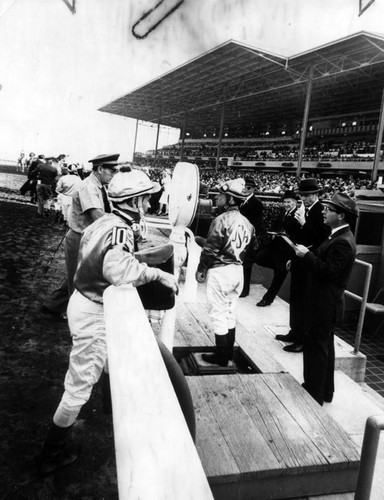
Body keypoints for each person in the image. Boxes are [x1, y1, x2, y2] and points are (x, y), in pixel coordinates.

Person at [39, 169, 184, 475]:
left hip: (84, 299)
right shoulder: (120, 229)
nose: (148, 202)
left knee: (107, 363)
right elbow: (116, 269)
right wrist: (157, 273)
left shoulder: (106, 220)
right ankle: (51, 452)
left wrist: (141, 258)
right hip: (93, 310)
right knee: (78, 386)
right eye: (145, 198)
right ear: (137, 200)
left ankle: (107, 410)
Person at [293, 192, 358, 405]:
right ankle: (325, 391)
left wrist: (307, 255)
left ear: (341, 216)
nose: (324, 211)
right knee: (324, 348)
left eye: (329, 210)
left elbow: (330, 272)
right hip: (325, 303)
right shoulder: (337, 236)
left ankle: (314, 393)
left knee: (316, 349)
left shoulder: (342, 242)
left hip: (324, 304)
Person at [41, 154, 120, 320]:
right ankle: (75, 318)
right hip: (80, 238)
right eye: (112, 170)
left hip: (88, 237)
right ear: (100, 169)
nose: (114, 174)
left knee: (76, 274)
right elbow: (97, 215)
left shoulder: (100, 186)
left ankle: (52, 305)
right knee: (77, 280)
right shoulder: (88, 187)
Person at [196, 178, 255, 367]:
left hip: (221, 272)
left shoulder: (221, 219)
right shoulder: (248, 223)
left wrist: (201, 268)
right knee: (230, 312)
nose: (217, 197)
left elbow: (211, 250)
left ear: (230, 199)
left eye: (221, 195)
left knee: (218, 314)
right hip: (238, 270)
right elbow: (254, 246)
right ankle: (228, 354)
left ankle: (221, 358)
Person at [276, 178, 330, 353]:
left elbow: (320, 238)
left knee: (305, 301)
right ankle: (295, 331)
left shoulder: (321, 211)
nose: (304, 199)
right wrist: (293, 257)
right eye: (302, 195)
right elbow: (298, 236)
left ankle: (302, 339)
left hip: (310, 260)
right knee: (296, 297)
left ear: (316, 195)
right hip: (299, 258)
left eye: (307, 195)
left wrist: (303, 224)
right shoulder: (304, 209)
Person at [254, 190, 301, 306]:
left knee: (279, 276)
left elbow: (296, 234)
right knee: (259, 258)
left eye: (288, 202)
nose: (286, 204)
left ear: (295, 202)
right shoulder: (282, 212)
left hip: (288, 250)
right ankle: (278, 266)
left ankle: (267, 299)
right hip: (276, 245)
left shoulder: (298, 215)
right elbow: (277, 226)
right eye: (285, 202)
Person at [238, 176, 264, 297]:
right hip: (238, 236)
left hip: (248, 237)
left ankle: (245, 289)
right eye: (244, 187)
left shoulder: (257, 204)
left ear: (253, 189)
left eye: (248, 187)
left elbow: (255, 224)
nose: (245, 189)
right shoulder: (240, 201)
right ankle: (239, 287)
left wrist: (249, 237)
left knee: (246, 265)